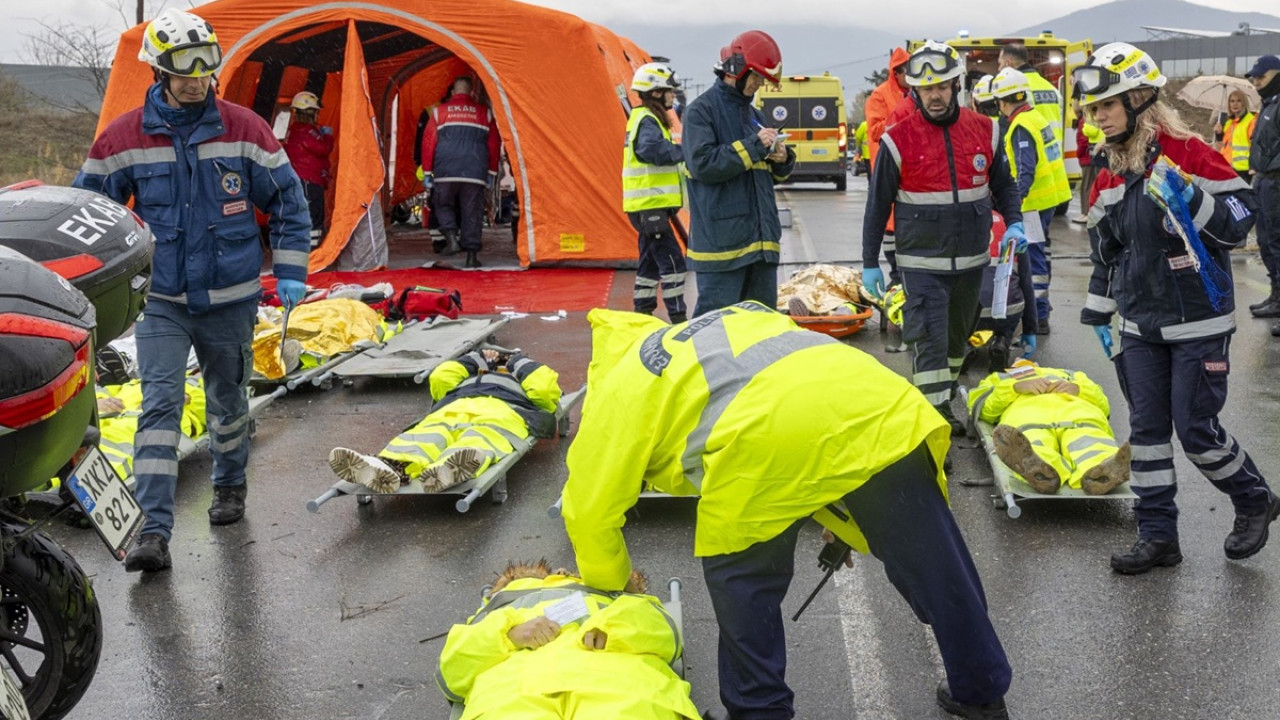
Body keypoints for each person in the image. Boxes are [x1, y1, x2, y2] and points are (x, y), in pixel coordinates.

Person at [563, 304, 1013, 720]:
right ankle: (981, 689)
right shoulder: (728, 319)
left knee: (744, 581)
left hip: (759, 443)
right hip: (880, 403)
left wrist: (614, 602)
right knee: (934, 560)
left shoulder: (619, 387)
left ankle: (760, 711)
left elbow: (587, 513)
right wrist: (847, 514)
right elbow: (809, 404)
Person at [74, 8, 311, 573]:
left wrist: (293, 270)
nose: (197, 81)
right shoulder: (122, 138)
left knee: (228, 402)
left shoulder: (245, 130)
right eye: (184, 71)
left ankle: (230, 483)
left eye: (205, 70)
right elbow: (89, 214)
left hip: (232, 298)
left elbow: (289, 203)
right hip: (162, 302)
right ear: (158, 70)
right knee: (160, 405)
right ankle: (152, 531)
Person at [1076, 42, 1275, 575]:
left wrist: (1192, 198)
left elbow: (1237, 223)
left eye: (1107, 106)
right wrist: (1098, 311)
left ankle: (1253, 497)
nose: (1098, 118)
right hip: (1140, 323)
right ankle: (1159, 535)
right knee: (1146, 433)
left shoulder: (1189, 153)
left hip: (1198, 320)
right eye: (1093, 110)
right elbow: (1107, 250)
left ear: (1141, 99)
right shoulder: (1109, 171)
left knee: (1194, 429)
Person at [862, 41, 1025, 434]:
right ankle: (934, 429)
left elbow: (1004, 185)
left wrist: (1015, 221)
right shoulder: (897, 140)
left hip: (971, 264)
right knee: (930, 345)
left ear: (956, 85)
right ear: (915, 92)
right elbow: (877, 204)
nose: (934, 96)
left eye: (941, 87)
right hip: (921, 267)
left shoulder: (985, 130)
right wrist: (869, 261)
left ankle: (942, 398)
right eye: (925, 89)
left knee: (956, 346)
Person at [436, 561, 701, 720]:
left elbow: (667, 636)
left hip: (617, 683)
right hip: (515, 690)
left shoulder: (615, 598)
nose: (562, 571)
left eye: (570, 571)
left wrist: (612, 629)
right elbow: (451, 671)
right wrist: (508, 635)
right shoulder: (506, 606)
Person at [328, 348, 560, 493]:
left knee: (484, 434)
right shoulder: (470, 373)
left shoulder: (525, 376)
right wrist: (474, 358)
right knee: (427, 434)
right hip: (455, 406)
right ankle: (389, 466)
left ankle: (447, 469)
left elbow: (543, 392)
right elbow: (440, 379)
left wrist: (517, 362)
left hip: (505, 409)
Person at [682, 30, 795, 317]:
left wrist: (781, 159)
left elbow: (764, 175)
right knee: (714, 336)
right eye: (757, 77)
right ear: (736, 70)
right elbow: (703, 164)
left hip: (760, 248)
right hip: (723, 252)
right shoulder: (701, 112)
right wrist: (756, 145)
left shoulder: (754, 115)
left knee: (760, 338)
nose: (759, 85)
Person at [967, 359, 1130, 496]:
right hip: (1030, 416)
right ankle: (1044, 472)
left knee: (1089, 439)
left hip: (1078, 414)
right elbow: (982, 408)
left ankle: (1101, 472)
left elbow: (1103, 403)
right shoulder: (1002, 378)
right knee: (1033, 442)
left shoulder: (1074, 376)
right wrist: (1014, 388)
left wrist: (1079, 390)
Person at [991, 68, 1072, 333]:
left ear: (1002, 102)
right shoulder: (1035, 117)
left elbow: (1026, 169)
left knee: (1033, 259)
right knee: (1042, 255)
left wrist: (1013, 201)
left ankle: (1038, 316)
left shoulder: (1020, 126)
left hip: (1033, 205)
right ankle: (1042, 309)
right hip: (1048, 199)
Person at [623, 62, 688, 324]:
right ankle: (679, 318)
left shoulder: (644, 118)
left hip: (647, 206)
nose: (672, 95)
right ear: (656, 92)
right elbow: (651, 151)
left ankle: (643, 310)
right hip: (650, 206)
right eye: (668, 90)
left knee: (649, 262)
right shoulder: (648, 120)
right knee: (673, 263)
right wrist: (684, 153)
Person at [418, 76, 502, 268]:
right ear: (472, 93)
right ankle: (471, 256)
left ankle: (451, 238)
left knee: (443, 204)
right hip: (475, 171)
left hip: (446, 170)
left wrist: (428, 172)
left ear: (454, 93)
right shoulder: (485, 114)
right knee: (472, 211)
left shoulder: (439, 113)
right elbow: (494, 144)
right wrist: (492, 171)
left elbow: (428, 143)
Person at [864, 47, 912, 285]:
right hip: (889, 167)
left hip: (913, 169)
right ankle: (895, 275)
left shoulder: (915, 92)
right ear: (897, 72)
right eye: (907, 72)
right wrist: (901, 121)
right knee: (889, 223)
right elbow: (875, 130)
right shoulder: (880, 95)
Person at [1245, 55, 1280, 325]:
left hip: (1277, 181)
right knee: (1267, 243)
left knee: (1277, 242)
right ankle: (1276, 296)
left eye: (1261, 77)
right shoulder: (1268, 105)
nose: (1256, 83)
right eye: (1254, 78)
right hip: (1264, 180)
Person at [281, 91, 334, 248]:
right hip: (309, 182)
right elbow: (323, 149)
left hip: (301, 180)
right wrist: (328, 136)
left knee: (304, 215)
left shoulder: (294, 130)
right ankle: (311, 253)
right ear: (311, 113)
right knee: (313, 216)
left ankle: (303, 249)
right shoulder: (307, 132)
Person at [997, 43, 1063, 148]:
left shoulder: (1016, 91)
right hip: (1055, 156)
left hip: (1031, 155)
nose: (999, 69)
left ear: (1008, 63)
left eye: (1000, 64)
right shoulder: (1052, 89)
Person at [1071, 101, 1104, 224]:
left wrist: (1079, 154)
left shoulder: (1085, 120)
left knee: (1086, 186)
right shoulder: (1087, 119)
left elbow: (1083, 139)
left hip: (1089, 156)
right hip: (1092, 155)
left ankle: (1086, 212)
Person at [1215, 89, 1256, 182]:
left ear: (1244, 103)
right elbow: (1223, 146)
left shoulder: (1250, 121)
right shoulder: (1229, 123)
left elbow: (1256, 145)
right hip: (1228, 168)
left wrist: (1253, 168)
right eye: (1232, 101)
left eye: (1239, 101)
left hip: (1244, 171)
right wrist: (1219, 134)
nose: (1235, 104)